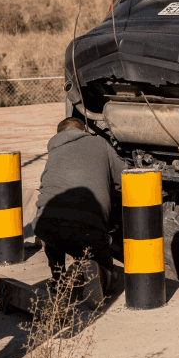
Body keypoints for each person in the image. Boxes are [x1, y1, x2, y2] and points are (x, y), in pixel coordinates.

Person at [32, 117, 126, 302]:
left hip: (45, 225)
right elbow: (125, 179)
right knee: (110, 273)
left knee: (53, 220)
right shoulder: (99, 142)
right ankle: (100, 271)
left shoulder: (54, 150)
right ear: (83, 131)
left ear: (60, 135)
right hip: (87, 227)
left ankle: (58, 279)